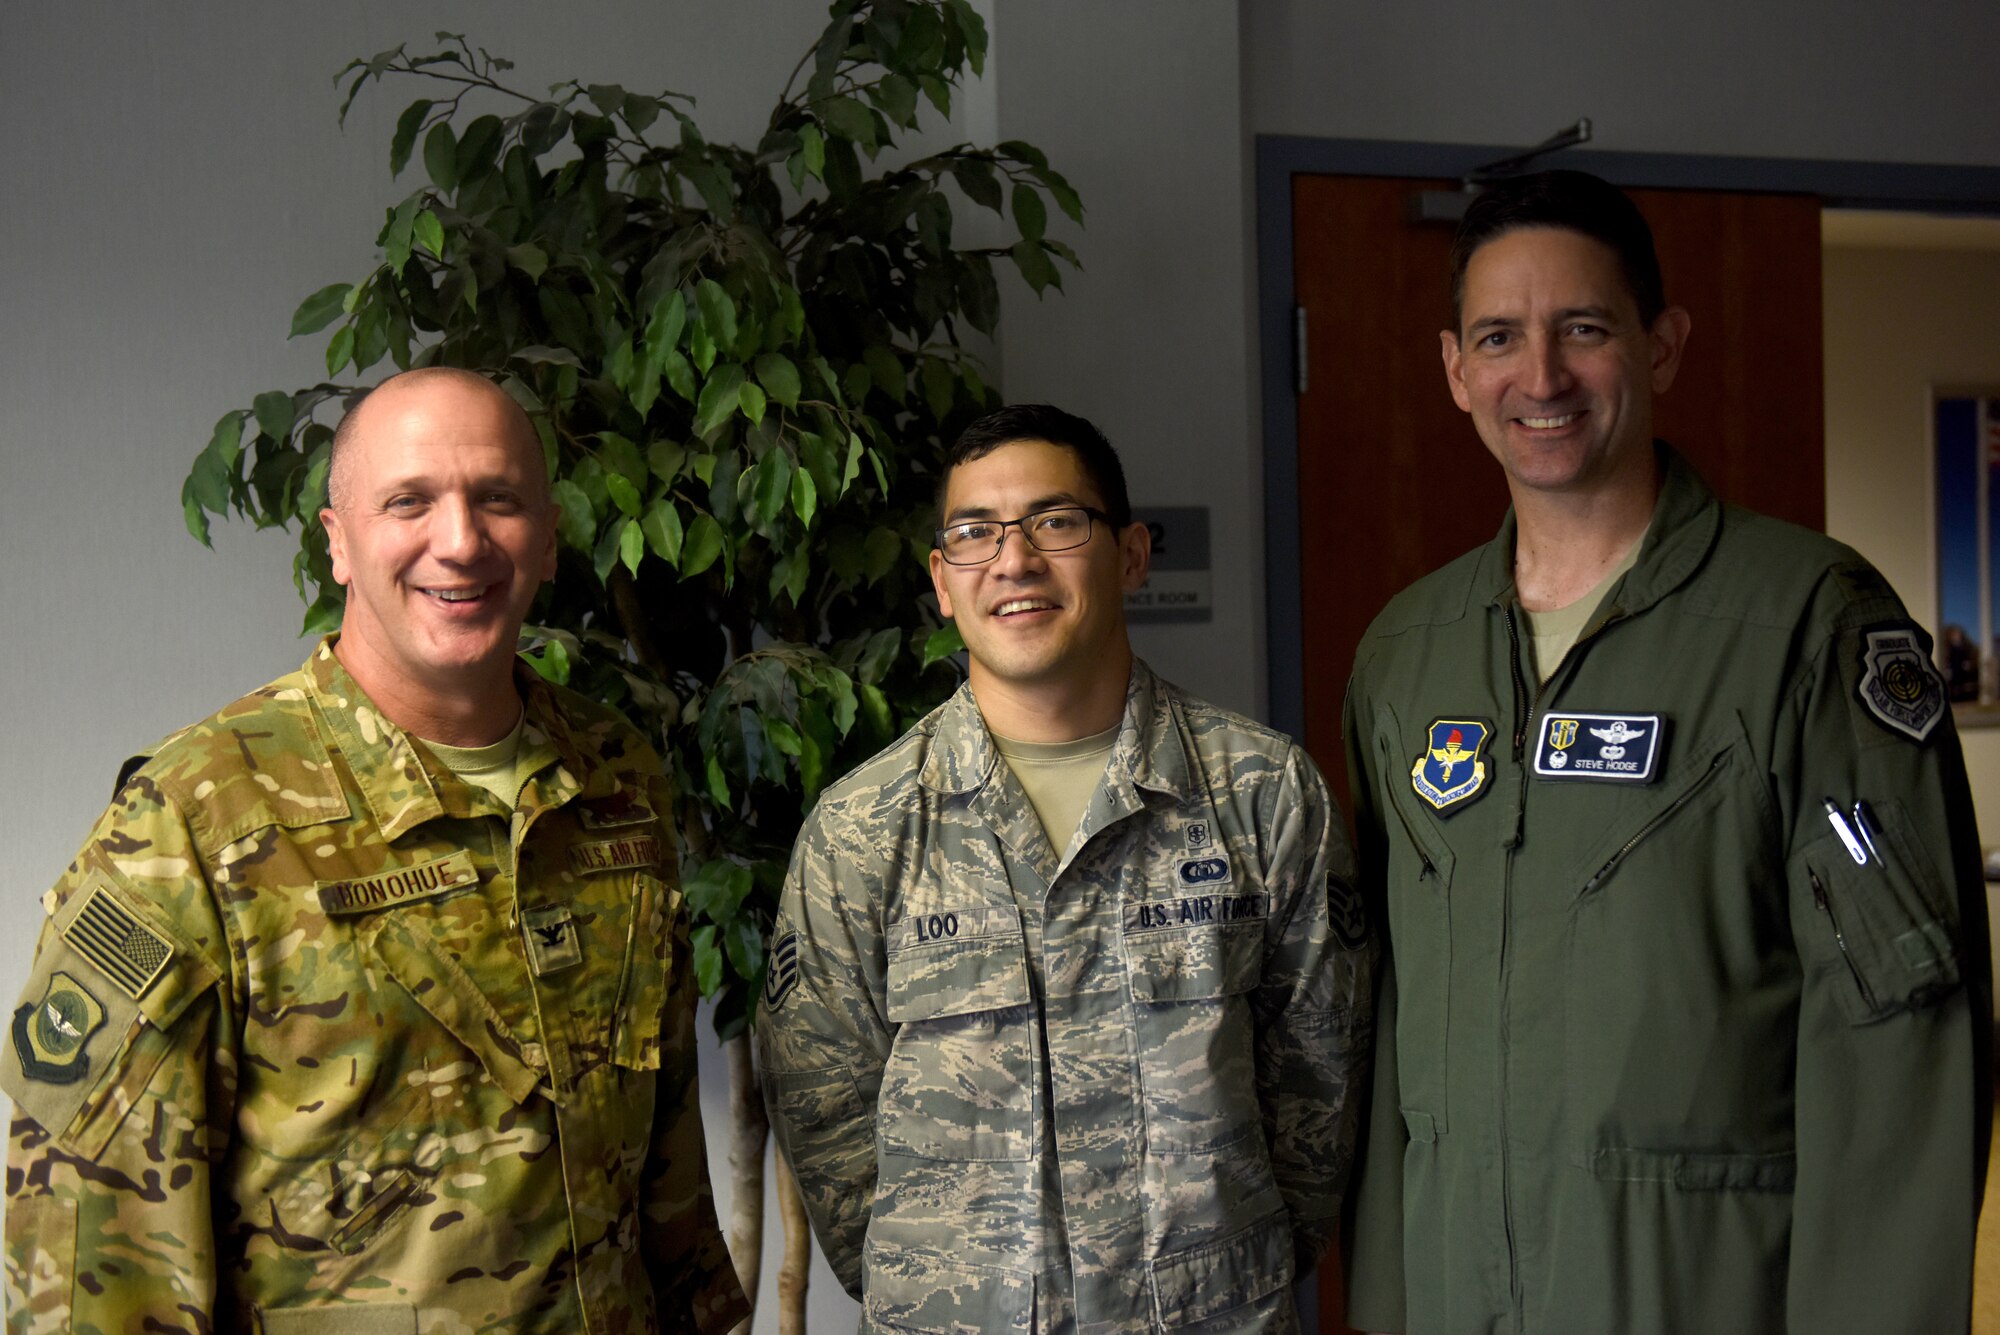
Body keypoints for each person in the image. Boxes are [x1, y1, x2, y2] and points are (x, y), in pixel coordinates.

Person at [1341, 170, 1992, 1334]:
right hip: (1455, 1291)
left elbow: (1899, 1033)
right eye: (1499, 337)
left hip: (1704, 1290)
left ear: (1661, 347)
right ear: (1454, 371)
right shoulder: (1407, 655)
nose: (1537, 377)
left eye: (1581, 330)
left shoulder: (1807, 623)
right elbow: (1384, 1033)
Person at [1, 367, 748, 1333]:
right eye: (410, 501)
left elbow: (667, 1165)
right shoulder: (192, 820)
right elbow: (92, 1247)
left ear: (549, 536)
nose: (462, 540)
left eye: (498, 499)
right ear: (338, 541)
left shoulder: (613, 776)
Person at [758, 404, 1373, 1333]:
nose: (1014, 560)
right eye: (975, 533)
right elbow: (828, 1122)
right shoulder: (863, 829)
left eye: (1056, 521)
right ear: (942, 582)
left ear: (1130, 554)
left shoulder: (1262, 794)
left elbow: (1321, 1089)